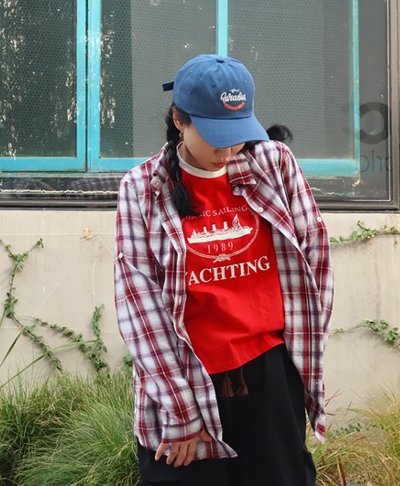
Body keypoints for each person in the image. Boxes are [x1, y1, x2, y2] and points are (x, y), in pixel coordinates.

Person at [114, 54, 334, 486]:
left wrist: (304, 357)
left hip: (269, 374)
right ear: (179, 120)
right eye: (215, 136)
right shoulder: (142, 189)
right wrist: (180, 409)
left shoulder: (274, 164)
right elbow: (140, 306)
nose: (227, 150)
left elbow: (316, 258)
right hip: (187, 376)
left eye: (236, 135)